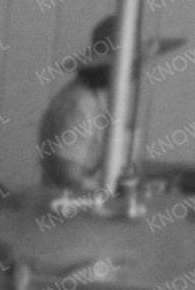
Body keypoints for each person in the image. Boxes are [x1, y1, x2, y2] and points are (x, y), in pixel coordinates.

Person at [35, 13, 185, 193]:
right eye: (133, 62)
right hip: (75, 211)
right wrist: (116, 190)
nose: (137, 69)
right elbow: (68, 175)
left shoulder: (108, 99)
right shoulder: (80, 104)